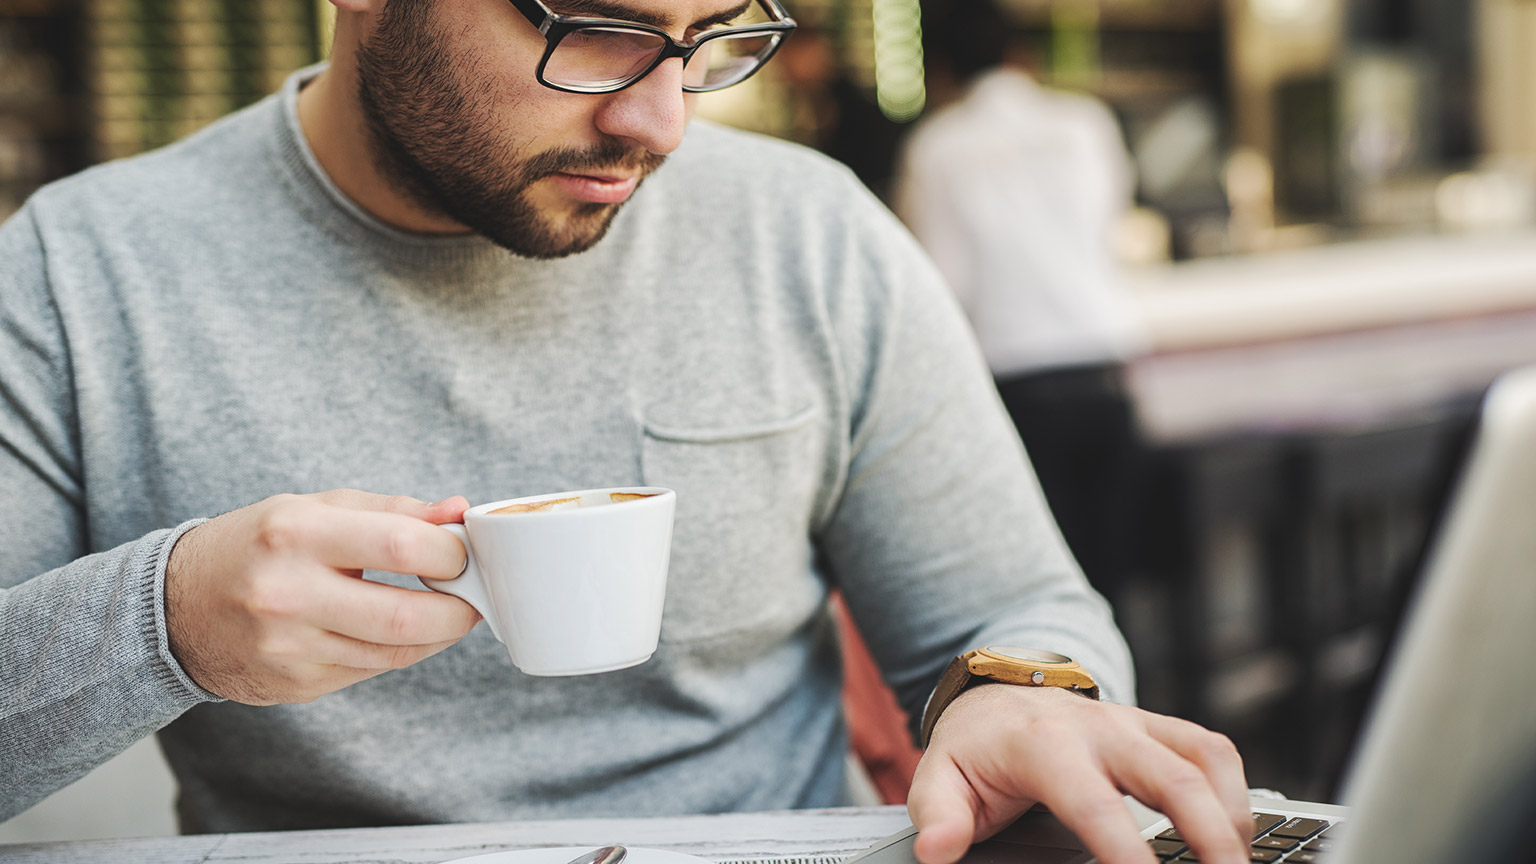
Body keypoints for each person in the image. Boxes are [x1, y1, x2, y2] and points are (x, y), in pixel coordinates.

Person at [0, 2, 1250, 864]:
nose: (661, 125)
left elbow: (1020, 609)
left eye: (705, 41)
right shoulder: (79, 271)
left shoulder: (806, 234)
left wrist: (1007, 698)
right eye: (597, 31)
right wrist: (160, 626)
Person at [891, 0, 1147, 602]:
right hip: (1107, 379)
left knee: (1043, 595)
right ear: (1021, 57)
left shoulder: (937, 146)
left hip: (1016, 393)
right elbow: (1112, 229)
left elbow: (942, 286)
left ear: (943, 69)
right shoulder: (1087, 122)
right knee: (1110, 589)